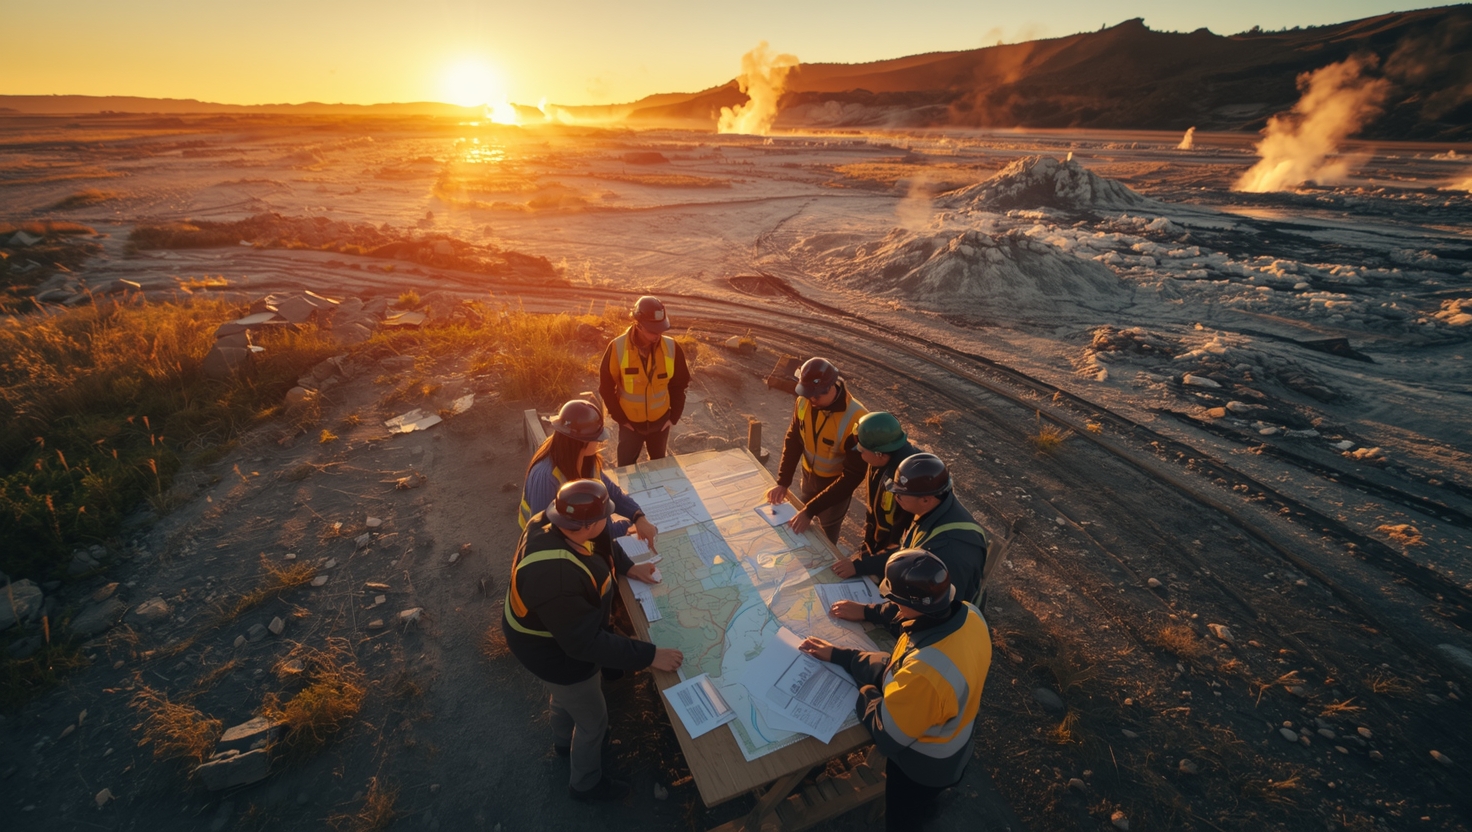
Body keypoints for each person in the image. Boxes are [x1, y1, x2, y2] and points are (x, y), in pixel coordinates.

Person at [503, 478, 685, 801]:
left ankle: (563, 742)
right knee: (593, 720)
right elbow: (586, 644)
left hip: (547, 638)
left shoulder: (556, 521)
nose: (609, 520)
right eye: (605, 516)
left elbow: (602, 543)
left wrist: (628, 568)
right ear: (586, 524)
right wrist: (649, 656)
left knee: (564, 697)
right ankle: (586, 784)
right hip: (551, 653)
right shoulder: (558, 576)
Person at [801, 549, 991, 832]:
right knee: (922, 807)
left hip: (925, 767)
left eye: (895, 600)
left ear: (912, 604)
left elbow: (888, 736)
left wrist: (866, 690)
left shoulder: (925, 674)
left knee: (903, 819)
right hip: (955, 738)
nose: (891, 604)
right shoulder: (969, 615)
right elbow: (897, 665)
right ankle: (928, 809)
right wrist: (844, 657)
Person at [520, 399, 659, 553]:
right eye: (596, 437)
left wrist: (638, 516)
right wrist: (623, 528)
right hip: (561, 553)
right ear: (581, 441)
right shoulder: (546, 477)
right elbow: (547, 535)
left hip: (582, 541)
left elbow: (612, 493)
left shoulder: (586, 460)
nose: (600, 441)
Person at [765, 357, 867, 543]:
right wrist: (783, 481)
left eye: (816, 396)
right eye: (807, 394)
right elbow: (794, 440)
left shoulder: (857, 419)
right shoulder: (803, 402)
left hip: (836, 488)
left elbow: (853, 475)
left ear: (831, 387)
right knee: (802, 532)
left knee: (827, 537)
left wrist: (810, 511)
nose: (811, 400)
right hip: (808, 479)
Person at [818, 412, 920, 578]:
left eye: (861, 450)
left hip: (894, 566)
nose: (859, 454)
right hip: (876, 552)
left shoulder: (910, 487)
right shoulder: (882, 461)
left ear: (879, 453)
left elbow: (907, 548)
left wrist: (861, 566)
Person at [883, 453, 988, 606]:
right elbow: (905, 553)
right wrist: (860, 566)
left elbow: (935, 610)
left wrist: (871, 611)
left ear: (926, 499)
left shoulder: (946, 552)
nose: (895, 497)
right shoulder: (936, 509)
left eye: (900, 494)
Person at [598, 295, 691, 467]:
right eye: (653, 331)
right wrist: (621, 419)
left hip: (661, 423)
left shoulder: (672, 348)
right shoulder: (617, 348)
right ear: (638, 324)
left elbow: (679, 385)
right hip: (630, 424)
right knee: (626, 469)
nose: (658, 335)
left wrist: (673, 417)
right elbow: (606, 387)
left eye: (660, 330)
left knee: (658, 467)